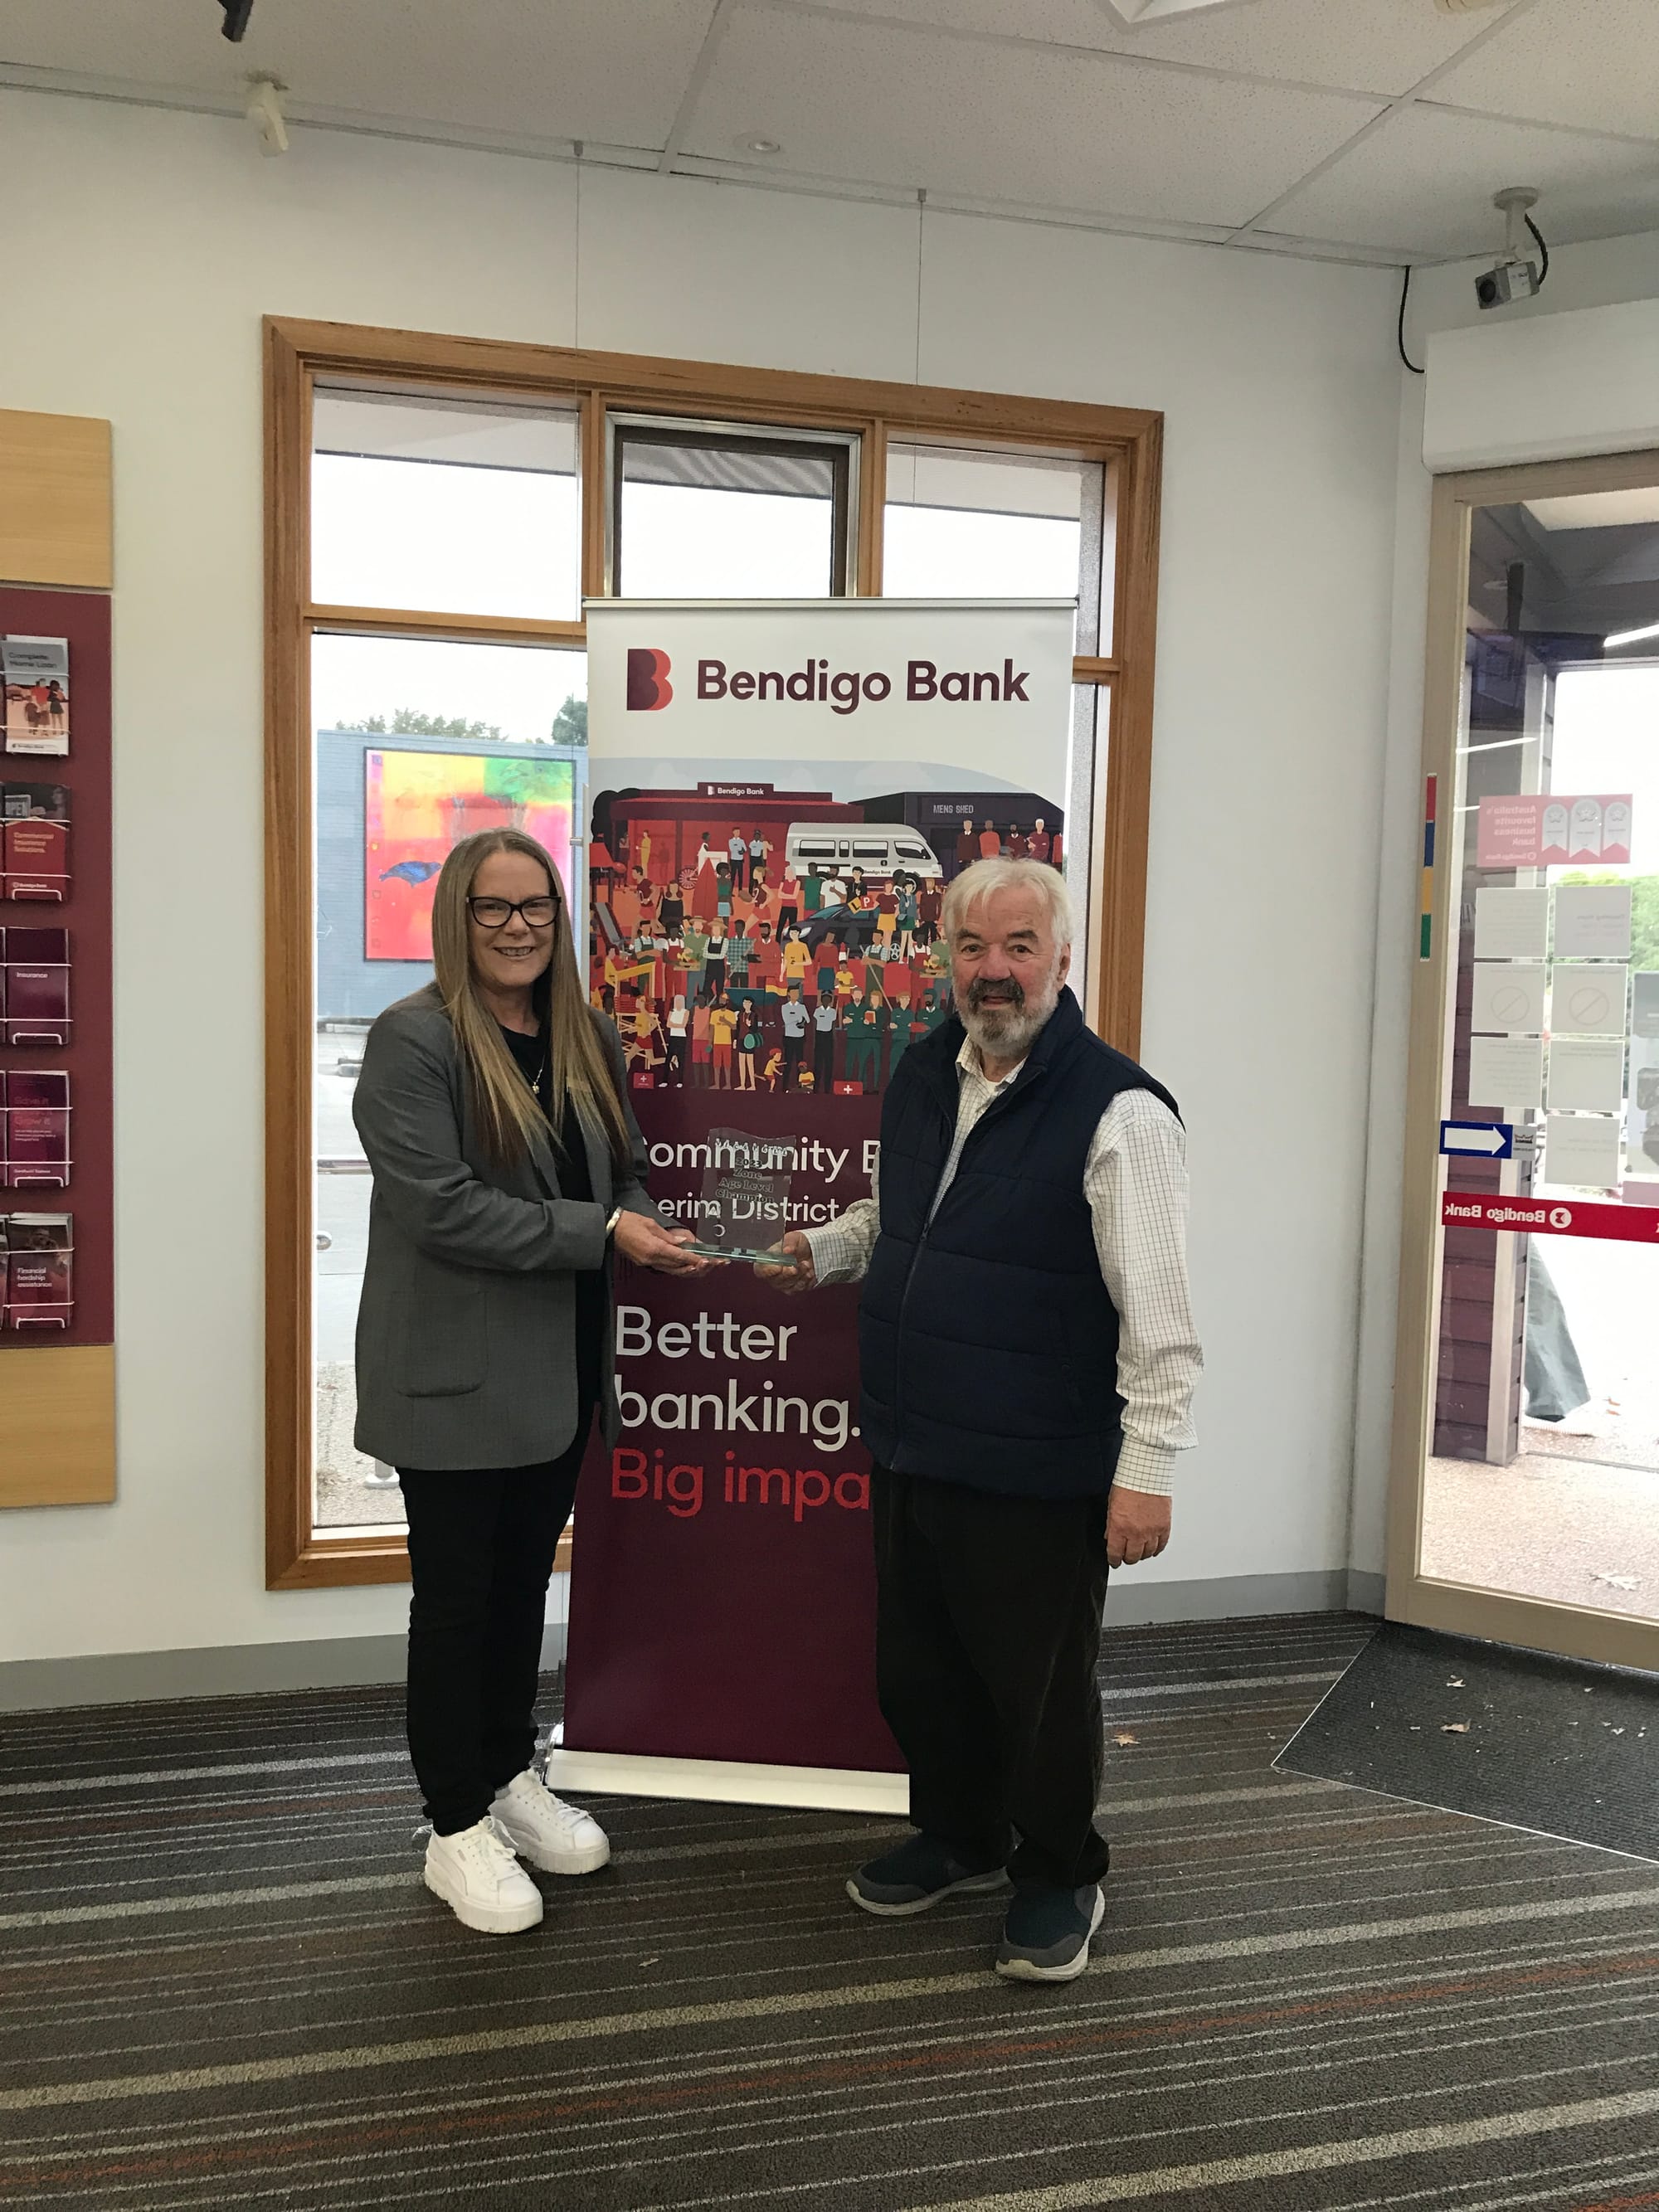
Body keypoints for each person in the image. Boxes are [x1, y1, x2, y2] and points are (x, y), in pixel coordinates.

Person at [760, 857, 1199, 1984]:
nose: (993, 971)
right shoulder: (919, 1073)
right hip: (916, 1438)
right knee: (922, 1670)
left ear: (1062, 958)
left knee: (1037, 1689)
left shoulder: (1122, 1111)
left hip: (1039, 1464)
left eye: (1018, 947)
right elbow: (893, 1214)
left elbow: (1163, 1319)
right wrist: (828, 1248)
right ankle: (962, 1834)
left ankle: (1059, 1870)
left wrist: (1146, 1467)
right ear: (944, 957)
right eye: (972, 947)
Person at [353, 828, 711, 1938]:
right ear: (456, 920)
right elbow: (442, 1206)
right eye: (493, 908)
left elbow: (628, 1160)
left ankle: (508, 1770)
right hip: (457, 1377)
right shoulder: (415, 1043)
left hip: (560, 1371)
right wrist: (605, 1228)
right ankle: (453, 1820)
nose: (517, 927)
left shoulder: (584, 1031)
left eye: (537, 907)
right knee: (457, 1600)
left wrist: (646, 1213)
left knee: (517, 1591)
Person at [779, 982, 810, 1091]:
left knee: (799, 1063)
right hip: (789, 1038)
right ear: (788, 994)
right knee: (788, 1063)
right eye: (794, 993)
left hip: (800, 1038)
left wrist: (798, 1018)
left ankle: (799, 1085)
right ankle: (784, 1086)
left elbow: (808, 1019)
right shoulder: (785, 1007)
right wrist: (799, 1018)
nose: (796, 995)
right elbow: (786, 1020)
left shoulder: (802, 1006)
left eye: (797, 993)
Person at [812, 990, 839, 1094]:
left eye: (828, 998)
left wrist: (834, 1040)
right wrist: (814, 1041)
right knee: (818, 1064)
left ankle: (827, 1089)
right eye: (824, 998)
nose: (826, 1000)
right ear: (822, 999)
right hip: (819, 1037)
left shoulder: (832, 1012)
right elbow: (814, 1026)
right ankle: (816, 1088)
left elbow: (833, 1027)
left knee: (829, 1064)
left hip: (828, 1037)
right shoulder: (818, 1011)